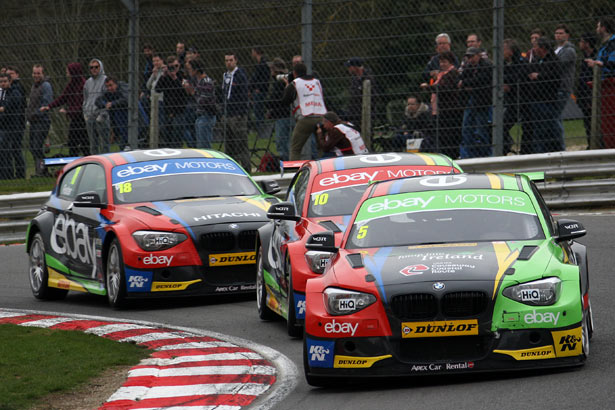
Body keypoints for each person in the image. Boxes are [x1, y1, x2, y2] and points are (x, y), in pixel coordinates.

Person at [420, 51, 462, 159]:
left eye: (444, 62)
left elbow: (445, 88)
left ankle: (450, 155)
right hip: (440, 109)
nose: (442, 64)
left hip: (449, 109)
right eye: (440, 62)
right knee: (438, 134)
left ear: (450, 62)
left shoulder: (452, 73)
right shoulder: (441, 74)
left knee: (447, 135)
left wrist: (429, 87)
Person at [281, 62, 327, 160]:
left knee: (295, 149)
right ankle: (324, 169)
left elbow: (285, 101)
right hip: (321, 117)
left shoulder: (295, 83)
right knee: (322, 146)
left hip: (305, 117)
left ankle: (294, 172)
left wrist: (287, 86)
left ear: (294, 73)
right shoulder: (316, 81)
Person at [525, 36, 564, 153]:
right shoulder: (537, 60)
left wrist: (539, 76)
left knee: (548, 127)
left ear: (542, 48)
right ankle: (540, 152)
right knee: (538, 128)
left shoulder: (553, 60)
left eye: (535, 46)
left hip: (547, 100)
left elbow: (556, 77)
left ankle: (555, 150)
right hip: (536, 99)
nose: (534, 49)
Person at [42, 62, 88, 157]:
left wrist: (68, 111)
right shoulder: (71, 84)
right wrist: (49, 106)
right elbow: (63, 97)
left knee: (84, 144)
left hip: (82, 119)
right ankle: (74, 163)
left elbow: (81, 104)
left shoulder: (83, 84)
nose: (67, 72)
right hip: (74, 119)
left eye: (68, 71)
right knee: (72, 143)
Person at [459, 47, 493, 158]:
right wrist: (468, 84)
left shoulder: (486, 65)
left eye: (472, 56)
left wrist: (468, 84)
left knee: (481, 130)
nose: (470, 59)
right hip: (472, 99)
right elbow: (461, 80)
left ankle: (484, 155)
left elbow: (481, 80)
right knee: (467, 127)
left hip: (483, 101)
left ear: (478, 55)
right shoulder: (469, 66)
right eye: (468, 57)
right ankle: (470, 155)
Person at [222, 53, 250, 170]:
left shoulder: (240, 76)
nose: (229, 62)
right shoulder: (225, 76)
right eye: (227, 60)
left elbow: (244, 96)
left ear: (236, 61)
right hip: (228, 114)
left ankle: (246, 168)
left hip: (238, 115)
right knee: (229, 144)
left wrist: (240, 113)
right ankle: (231, 168)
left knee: (241, 143)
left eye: (231, 60)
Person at [27, 64, 53, 176]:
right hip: (33, 121)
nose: (36, 75)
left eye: (38, 73)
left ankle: (43, 170)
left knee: (37, 146)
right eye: (34, 73)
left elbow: (46, 103)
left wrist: (36, 114)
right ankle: (40, 170)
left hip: (42, 121)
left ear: (43, 74)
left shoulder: (46, 85)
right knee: (32, 147)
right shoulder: (34, 86)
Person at [155, 56, 186, 148]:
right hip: (167, 110)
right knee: (167, 136)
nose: (174, 69)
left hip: (179, 110)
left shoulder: (182, 75)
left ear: (179, 65)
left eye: (175, 66)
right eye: (171, 67)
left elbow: (182, 92)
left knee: (177, 135)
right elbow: (157, 89)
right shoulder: (166, 77)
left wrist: (175, 77)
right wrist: (163, 75)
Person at [502, 39, 526, 154]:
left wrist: (508, 84)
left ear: (511, 51)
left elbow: (519, 77)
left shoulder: (521, 62)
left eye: (504, 49)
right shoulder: (503, 63)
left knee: (525, 126)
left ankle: (526, 150)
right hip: (508, 100)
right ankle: (506, 145)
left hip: (520, 99)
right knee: (501, 125)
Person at [554, 24, 577, 140]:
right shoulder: (555, 50)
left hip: (562, 87)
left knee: (555, 116)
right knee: (554, 116)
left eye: (561, 33)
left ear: (567, 35)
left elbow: (556, 66)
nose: (558, 36)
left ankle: (560, 144)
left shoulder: (569, 50)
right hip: (553, 87)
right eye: (556, 33)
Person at [266, 57, 292, 160]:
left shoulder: (280, 82)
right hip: (283, 114)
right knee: (285, 140)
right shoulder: (284, 80)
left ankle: (286, 161)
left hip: (283, 115)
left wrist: (267, 104)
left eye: (272, 68)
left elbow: (277, 100)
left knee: (282, 141)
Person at [187, 58, 217, 149]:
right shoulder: (198, 81)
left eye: (190, 69)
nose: (189, 71)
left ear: (196, 70)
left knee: (205, 145)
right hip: (200, 116)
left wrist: (192, 92)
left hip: (207, 116)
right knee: (200, 145)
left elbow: (204, 100)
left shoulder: (206, 82)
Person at [3, 67, 26, 178]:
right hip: (7, 126)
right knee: (8, 151)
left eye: (11, 74)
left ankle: (20, 174)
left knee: (15, 150)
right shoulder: (6, 92)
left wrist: (4, 108)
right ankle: (8, 174)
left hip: (15, 126)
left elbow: (9, 107)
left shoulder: (16, 91)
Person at [83, 58, 110, 154]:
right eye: (91, 67)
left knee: (104, 143)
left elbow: (108, 98)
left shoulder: (105, 80)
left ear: (100, 67)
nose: (94, 69)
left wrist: (103, 113)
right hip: (90, 115)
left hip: (101, 116)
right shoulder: (87, 82)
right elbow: (85, 98)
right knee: (93, 144)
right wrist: (85, 113)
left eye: (96, 67)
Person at [96, 76, 129, 150]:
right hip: (120, 124)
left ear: (116, 84)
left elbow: (127, 99)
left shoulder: (124, 88)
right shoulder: (109, 93)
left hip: (133, 122)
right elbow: (98, 101)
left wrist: (112, 104)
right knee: (123, 146)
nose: (109, 88)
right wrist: (105, 104)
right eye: (107, 86)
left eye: (111, 85)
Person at [344, 57, 377, 129]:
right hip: (354, 112)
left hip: (366, 111)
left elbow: (373, 97)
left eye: (350, 67)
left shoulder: (368, 78)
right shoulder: (354, 79)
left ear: (355, 67)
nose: (348, 69)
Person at [577, 32, 598, 144]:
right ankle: (590, 142)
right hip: (584, 94)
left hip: (591, 94)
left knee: (594, 120)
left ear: (587, 43)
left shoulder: (596, 56)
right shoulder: (584, 58)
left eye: (581, 41)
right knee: (587, 121)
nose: (579, 44)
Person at [250, 46, 270, 139]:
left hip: (260, 91)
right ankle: (261, 132)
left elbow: (264, 78)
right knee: (258, 112)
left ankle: (262, 133)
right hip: (259, 90)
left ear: (255, 52)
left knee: (258, 112)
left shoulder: (263, 64)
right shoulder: (261, 63)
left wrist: (259, 88)